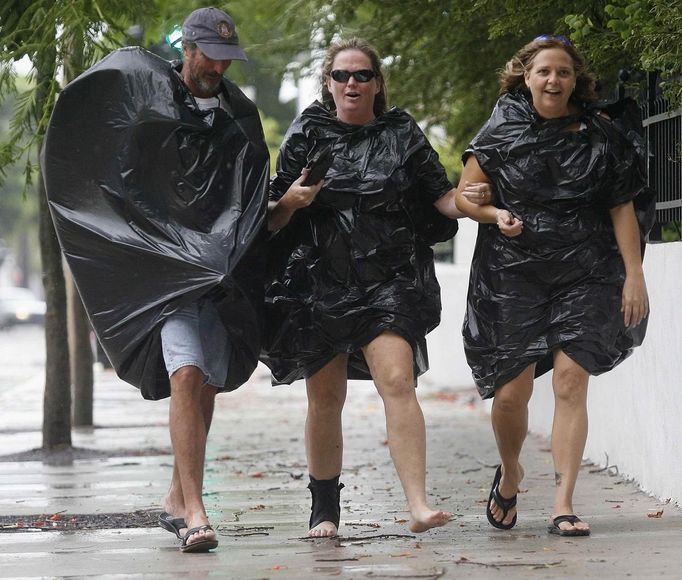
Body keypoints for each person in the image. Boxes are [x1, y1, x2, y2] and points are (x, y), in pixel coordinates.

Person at [42, 7, 269, 553]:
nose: (217, 66)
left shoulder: (239, 115)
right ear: (187, 49)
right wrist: (161, 243)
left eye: (225, 58)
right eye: (209, 55)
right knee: (187, 375)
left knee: (206, 384)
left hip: (218, 274)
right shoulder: (152, 101)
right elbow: (127, 180)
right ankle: (195, 511)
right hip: (165, 275)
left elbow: (251, 188)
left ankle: (176, 494)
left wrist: (279, 208)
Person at [262, 38, 492, 538]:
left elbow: (441, 199)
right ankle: (324, 509)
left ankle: (418, 503)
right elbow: (274, 218)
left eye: (362, 75)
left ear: (377, 83)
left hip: (390, 280)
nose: (352, 84)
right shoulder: (308, 132)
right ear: (329, 83)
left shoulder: (401, 132)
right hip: (320, 283)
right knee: (325, 398)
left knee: (397, 381)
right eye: (342, 76)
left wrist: (467, 198)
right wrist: (294, 201)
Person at [454, 36, 653, 537]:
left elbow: (622, 206)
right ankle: (512, 472)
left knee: (570, 381)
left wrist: (634, 274)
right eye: (544, 71)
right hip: (513, 272)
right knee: (511, 392)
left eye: (563, 72)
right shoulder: (501, 130)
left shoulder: (599, 135)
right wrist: (493, 211)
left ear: (574, 79)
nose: (553, 80)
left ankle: (564, 502)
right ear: (527, 76)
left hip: (586, 269)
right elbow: (464, 198)